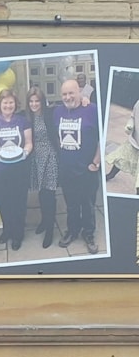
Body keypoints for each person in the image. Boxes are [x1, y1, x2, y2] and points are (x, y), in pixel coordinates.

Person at [53, 76, 102, 253]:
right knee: (71, 204)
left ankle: (89, 234)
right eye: (64, 94)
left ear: (79, 92)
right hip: (67, 170)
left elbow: (101, 139)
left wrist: (96, 162)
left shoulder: (92, 109)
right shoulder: (57, 112)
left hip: (88, 170)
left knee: (88, 205)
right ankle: (72, 231)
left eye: (71, 93)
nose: (67, 97)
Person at [0, 88, 32, 251]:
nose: (8, 105)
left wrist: (25, 152)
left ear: (15, 104)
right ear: (0, 104)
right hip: (0, 170)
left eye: (11, 102)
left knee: (19, 202)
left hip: (19, 170)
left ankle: (18, 234)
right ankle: (7, 230)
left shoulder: (23, 120)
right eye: (5, 102)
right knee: (4, 202)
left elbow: (29, 143)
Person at [26, 87, 60, 248]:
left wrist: (85, 100)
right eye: (31, 101)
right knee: (41, 192)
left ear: (42, 101)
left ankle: (50, 230)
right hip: (35, 158)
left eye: (37, 101)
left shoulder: (50, 113)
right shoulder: (26, 116)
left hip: (50, 156)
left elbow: (68, 106)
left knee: (49, 193)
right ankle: (44, 221)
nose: (34, 104)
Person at [104, 97, 139, 195]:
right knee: (121, 158)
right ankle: (111, 175)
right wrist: (130, 125)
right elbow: (133, 117)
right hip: (134, 141)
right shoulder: (138, 103)